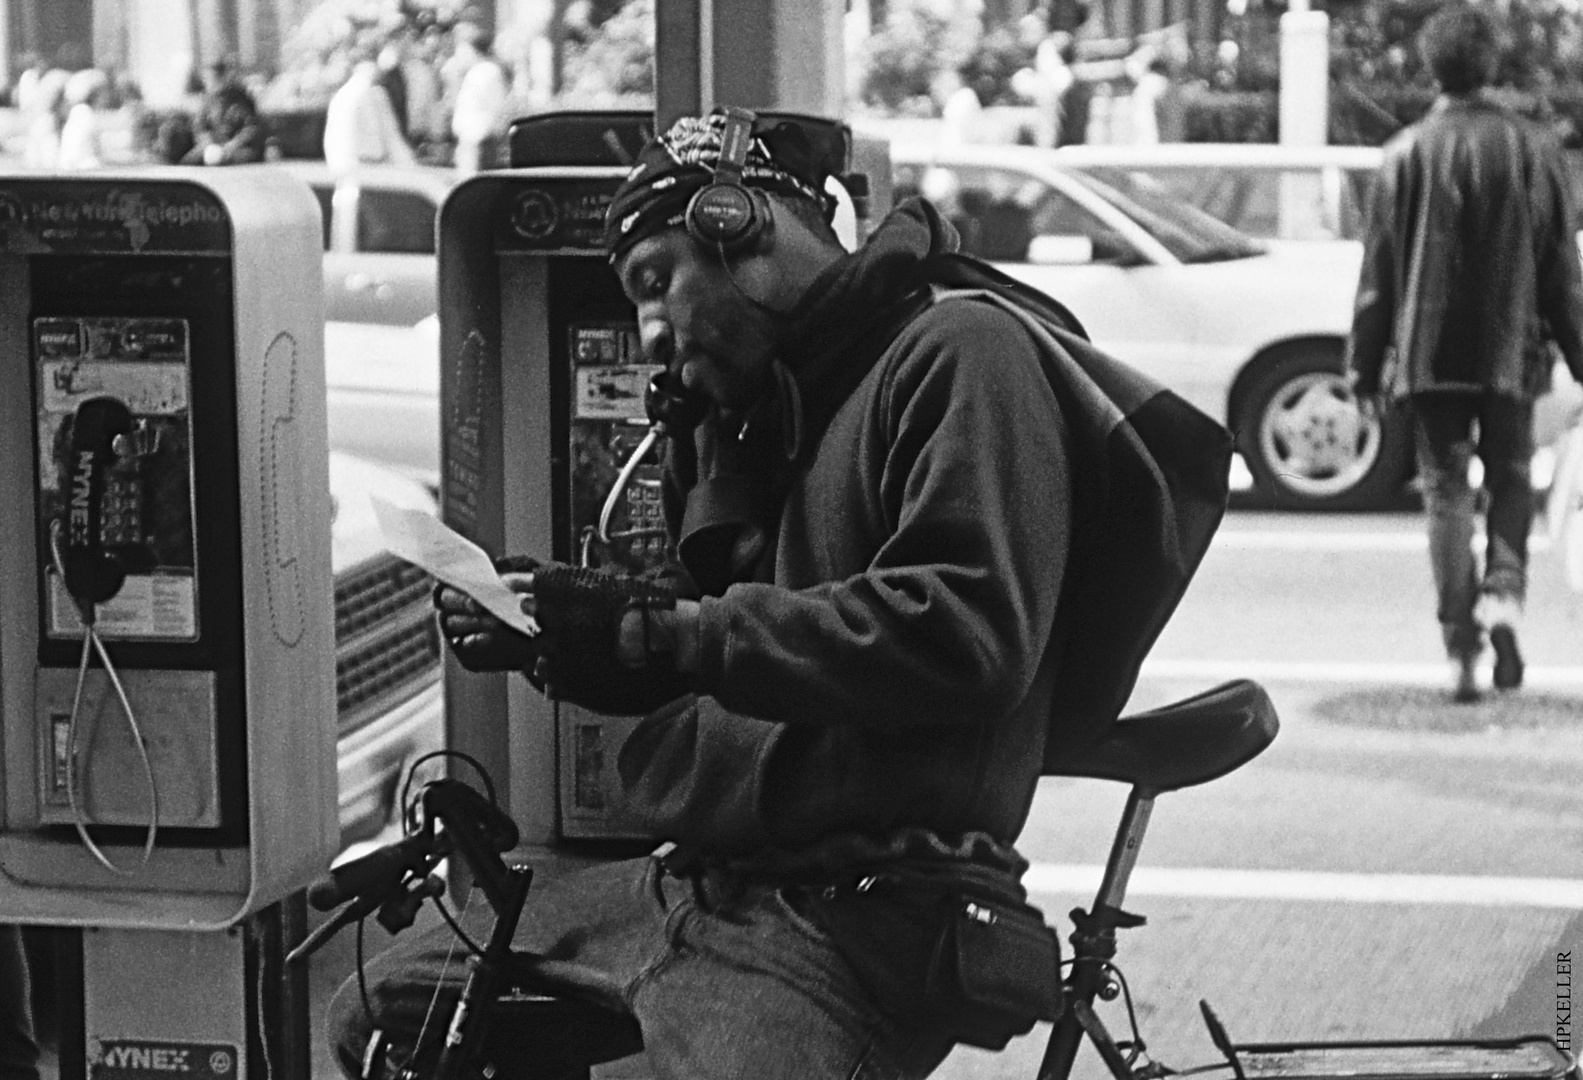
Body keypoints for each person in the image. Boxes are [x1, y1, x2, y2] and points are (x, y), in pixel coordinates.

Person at [325, 108, 1230, 1080]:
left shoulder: (958, 354)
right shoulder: (762, 416)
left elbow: (964, 631)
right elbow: (703, 639)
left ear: (736, 224)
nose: (649, 333)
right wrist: (560, 630)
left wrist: (650, 633)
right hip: (693, 885)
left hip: (850, 912)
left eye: (653, 283)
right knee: (381, 1014)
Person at [1345, 3, 1583, 703]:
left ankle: (1459, 649)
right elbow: (1559, 275)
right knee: (1510, 474)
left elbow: (1377, 276)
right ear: (1490, 66)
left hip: (1426, 351)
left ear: (1430, 67)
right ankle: (1503, 594)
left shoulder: (1403, 155)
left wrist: (1362, 366)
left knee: (1445, 490)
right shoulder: (1534, 150)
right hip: (1512, 349)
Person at [321, 50, 416, 174]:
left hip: (343, 170)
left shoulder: (341, 96)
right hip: (368, 169)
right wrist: (410, 169)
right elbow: (385, 141)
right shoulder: (370, 93)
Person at [447, 22, 510, 174]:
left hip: (479, 144)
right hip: (470, 144)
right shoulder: (474, 72)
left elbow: (497, 111)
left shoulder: (487, 71)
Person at [185, 59, 267, 165]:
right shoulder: (207, 101)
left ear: (224, 77)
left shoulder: (241, 99)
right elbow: (199, 126)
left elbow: (252, 128)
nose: (208, 82)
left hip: (239, 148)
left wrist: (233, 144)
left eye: (213, 78)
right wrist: (206, 140)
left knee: (224, 158)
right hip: (213, 146)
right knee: (189, 161)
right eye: (207, 79)